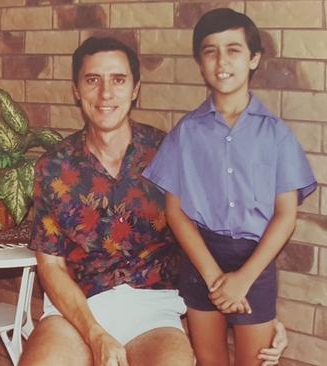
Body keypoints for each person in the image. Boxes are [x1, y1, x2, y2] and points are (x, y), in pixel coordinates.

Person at [20, 36, 288, 366]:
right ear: (76, 89)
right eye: (93, 80)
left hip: (154, 311)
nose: (106, 94)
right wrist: (95, 334)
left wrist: (259, 314)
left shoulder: (169, 151)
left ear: (135, 89)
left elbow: (217, 237)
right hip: (76, 311)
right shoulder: (53, 166)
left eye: (118, 80)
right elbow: (51, 266)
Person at [142, 8, 316, 366]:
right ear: (200, 62)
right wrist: (214, 278)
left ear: (253, 59)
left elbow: (286, 215)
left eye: (234, 49)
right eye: (210, 51)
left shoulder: (276, 135)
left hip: (255, 260)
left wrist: (242, 279)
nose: (222, 61)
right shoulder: (185, 135)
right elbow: (175, 213)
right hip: (200, 260)